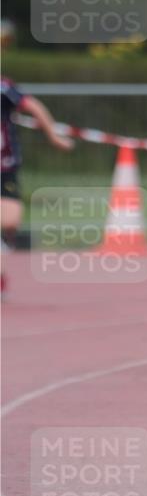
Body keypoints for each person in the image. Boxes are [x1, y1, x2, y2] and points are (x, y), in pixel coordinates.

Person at [1, 21, 74, 296]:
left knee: (9, 222)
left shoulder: (4, 88)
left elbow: (34, 106)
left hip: (5, 167)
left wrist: (53, 136)